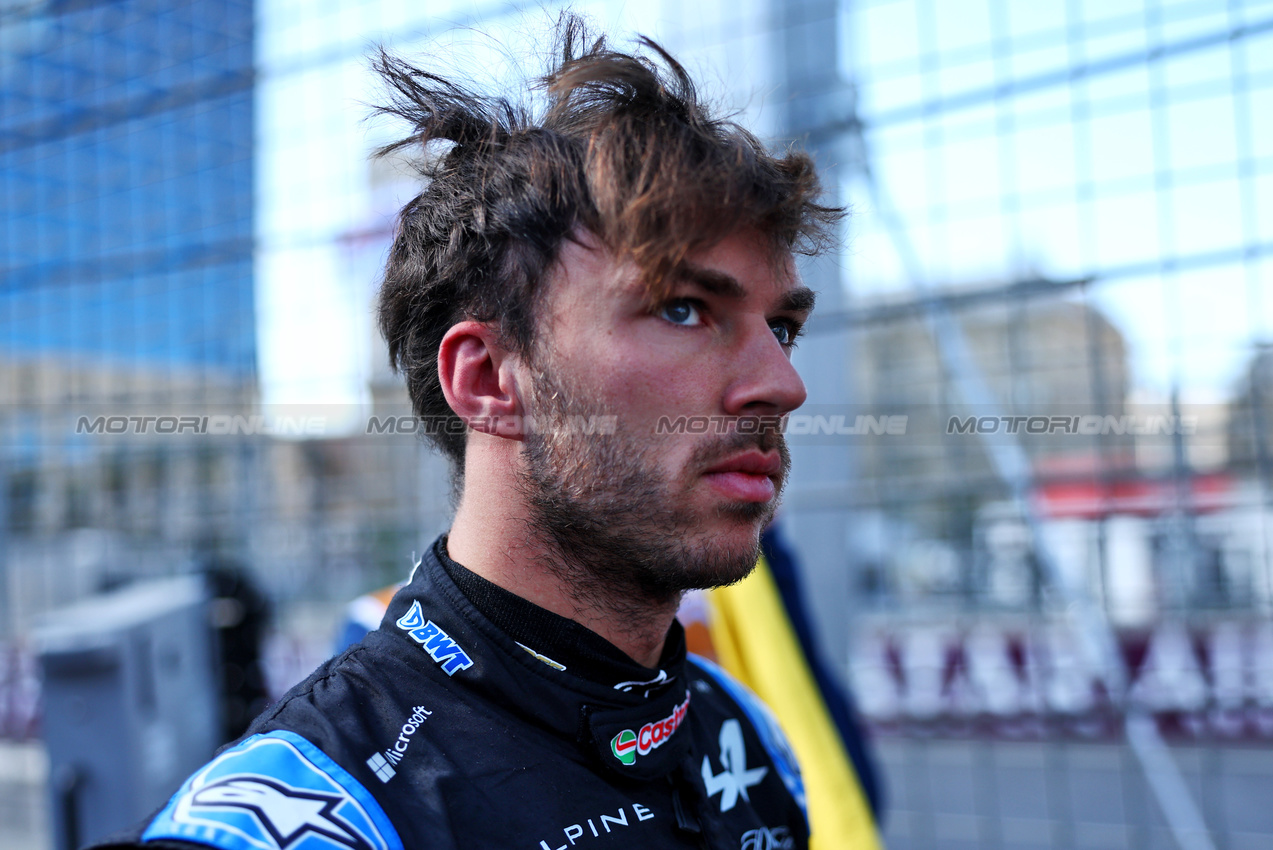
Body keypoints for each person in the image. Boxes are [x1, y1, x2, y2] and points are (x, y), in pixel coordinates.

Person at [92, 14, 842, 849]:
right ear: (487, 380)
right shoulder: (308, 819)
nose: (783, 385)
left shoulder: (741, 733)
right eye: (682, 308)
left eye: (781, 327)